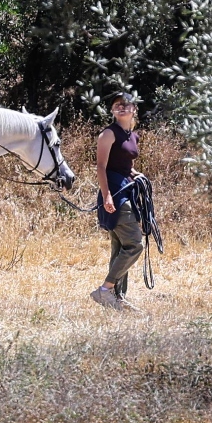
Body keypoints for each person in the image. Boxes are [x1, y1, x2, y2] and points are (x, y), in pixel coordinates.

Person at [91, 89, 144, 309]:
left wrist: (135, 173)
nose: (121, 107)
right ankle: (105, 289)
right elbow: (101, 166)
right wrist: (106, 196)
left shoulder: (133, 134)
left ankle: (117, 299)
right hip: (113, 194)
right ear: (112, 110)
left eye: (126, 104)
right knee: (134, 245)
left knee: (120, 246)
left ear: (134, 109)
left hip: (125, 190)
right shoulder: (108, 134)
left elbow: (123, 164)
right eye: (117, 104)